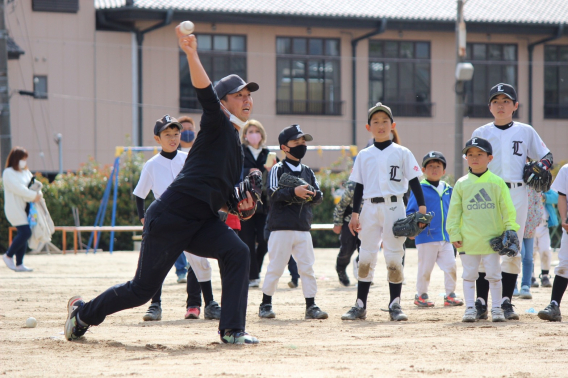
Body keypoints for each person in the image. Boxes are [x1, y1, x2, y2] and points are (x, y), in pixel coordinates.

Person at [64, 25, 260, 345]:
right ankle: (82, 314)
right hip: (170, 215)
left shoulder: (235, 149)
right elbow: (205, 94)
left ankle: (232, 329)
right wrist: (192, 54)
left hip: (202, 219)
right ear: (224, 103)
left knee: (237, 252)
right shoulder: (216, 122)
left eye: (249, 94)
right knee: (141, 291)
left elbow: (226, 198)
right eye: (239, 95)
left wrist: (242, 207)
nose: (247, 99)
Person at [471, 83, 552, 321]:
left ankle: (506, 301)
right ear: (490, 107)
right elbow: (472, 162)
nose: (501, 105)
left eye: (506, 101)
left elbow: (547, 156)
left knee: (512, 247)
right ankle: (482, 301)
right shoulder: (481, 132)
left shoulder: (526, 131)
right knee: (484, 247)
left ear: (515, 106)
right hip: (488, 192)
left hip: (518, 192)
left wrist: (540, 166)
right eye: (496, 101)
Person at [341, 103, 426, 322]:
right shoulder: (364, 154)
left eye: (385, 121)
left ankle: (395, 305)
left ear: (393, 125)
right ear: (368, 127)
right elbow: (358, 186)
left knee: (394, 255)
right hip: (369, 207)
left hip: (394, 206)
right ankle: (360, 305)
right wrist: (355, 213)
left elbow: (415, 181)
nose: (380, 125)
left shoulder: (402, 152)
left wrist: (422, 208)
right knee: (366, 255)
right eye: (376, 122)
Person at [132, 115, 221, 322]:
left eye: (176, 134)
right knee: (157, 264)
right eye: (167, 134)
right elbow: (139, 194)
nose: (173, 138)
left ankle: (210, 304)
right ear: (157, 139)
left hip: (190, 220)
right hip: (164, 221)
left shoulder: (188, 158)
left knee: (201, 262)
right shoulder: (152, 165)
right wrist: (143, 218)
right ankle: (155, 305)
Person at [258, 125, 328, 320]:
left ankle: (311, 305)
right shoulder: (277, 169)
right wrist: (294, 192)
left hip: (303, 227)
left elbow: (319, 196)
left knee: (307, 267)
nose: (301, 145)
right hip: (281, 227)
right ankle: (265, 304)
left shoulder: (308, 171)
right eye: (296, 142)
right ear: (284, 148)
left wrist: (312, 194)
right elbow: (272, 194)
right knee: (276, 267)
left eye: (303, 142)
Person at [447, 137, 519, 323]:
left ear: (490, 158)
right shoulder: (462, 184)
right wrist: (454, 233)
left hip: (492, 238)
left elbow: (507, 208)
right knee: (469, 275)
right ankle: (470, 308)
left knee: (494, 275)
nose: (475, 158)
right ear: (466, 158)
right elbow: (454, 211)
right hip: (468, 239)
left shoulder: (497, 182)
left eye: (480, 154)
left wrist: (510, 228)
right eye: (470, 155)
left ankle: (496, 309)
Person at [407, 151, 463, 307]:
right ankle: (421, 295)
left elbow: (455, 211)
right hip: (426, 236)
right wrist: (414, 227)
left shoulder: (448, 189)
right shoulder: (420, 189)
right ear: (423, 170)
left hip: (446, 236)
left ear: (444, 171)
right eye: (430, 166)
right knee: (425, 269)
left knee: (451, 266)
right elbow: (410, 211)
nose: (434, 169)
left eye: (438, 166)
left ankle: (450, 295)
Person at [239, 119, 272, 287]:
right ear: (245, 135)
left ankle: (255, 268)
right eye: (250, 132)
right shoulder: (240, 152)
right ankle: (252, 276)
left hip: (264, 204)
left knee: (264, 239)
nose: (253, 135)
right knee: (247, 240)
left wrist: (272, 169)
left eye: (256, 131)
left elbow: (277, 176)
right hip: (245, 202)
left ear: (262, 134)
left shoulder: (269, 154)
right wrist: (248, 171)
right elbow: (234, 171)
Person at [2, 147, 41, 272]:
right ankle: (8, 255)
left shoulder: (25, 172)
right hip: (15, 209)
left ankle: (19, 264)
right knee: (25, 232)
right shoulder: (8, 173)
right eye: (22, 159)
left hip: (27, 208)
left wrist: (38, 192)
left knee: (23, 234)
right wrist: (33, 196)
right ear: (16, 159)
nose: (24, 161)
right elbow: (18, 188)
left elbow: (33, 183)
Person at [537, 163, 568, 322]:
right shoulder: (566, 170)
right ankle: (554, 305)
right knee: (564, 265)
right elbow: (562, 195)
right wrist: (564, 220)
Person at [514, 183, 542, 299]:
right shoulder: (515, 185)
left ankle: (526, 285)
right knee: (518, 254)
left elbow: (538, 203)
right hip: (517, 224)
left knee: (529, 257)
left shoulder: (534, 185)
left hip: (530, 225)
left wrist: (536, 219)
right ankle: (513, 285)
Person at [332, 180, 361, 286]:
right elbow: (341, 205)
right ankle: (341, 269)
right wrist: (337, 223)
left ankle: (364, 274)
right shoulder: (353, 186)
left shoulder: (379, 183)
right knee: (346, 250)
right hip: (350, 222)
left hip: (369, 223)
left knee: (368, 251)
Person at [532, 189, 558, 288]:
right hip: (531, 225)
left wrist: (545, 197)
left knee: (545, 250)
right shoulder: (527, 189)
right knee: (531, 252)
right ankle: (531, 276)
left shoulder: (546, 189)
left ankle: (545, 275)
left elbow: (557, 198)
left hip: (544, 225)